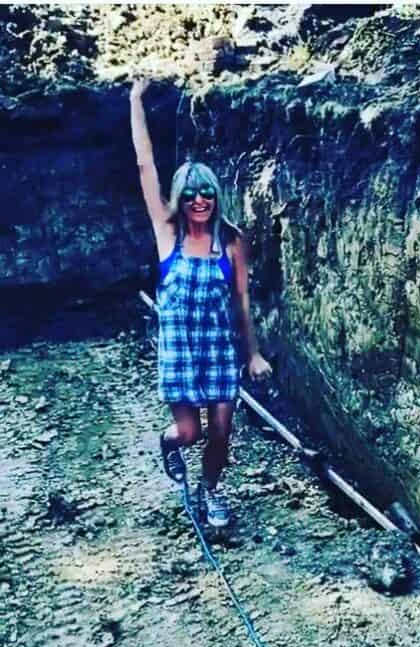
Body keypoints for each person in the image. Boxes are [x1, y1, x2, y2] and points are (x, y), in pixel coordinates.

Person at [129, 78, 272, 528]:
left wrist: (253, 354)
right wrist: (135, 101)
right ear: (180, 200)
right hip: (179, 353)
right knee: (190, 433)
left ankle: (210, 493)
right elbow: (145, 166)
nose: (199, 201)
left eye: (206, 192)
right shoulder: (166, 235)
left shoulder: (231, 242)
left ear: (215, 195)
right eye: (190, 194)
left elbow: (242, 302)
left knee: (223, 433)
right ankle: (169, 443)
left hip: (217, 350)